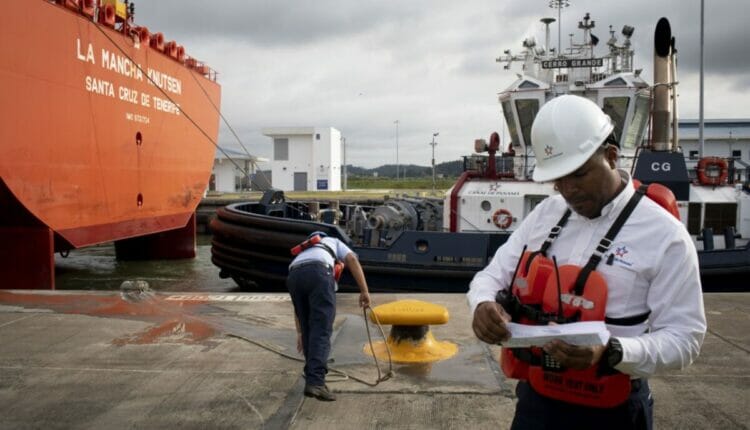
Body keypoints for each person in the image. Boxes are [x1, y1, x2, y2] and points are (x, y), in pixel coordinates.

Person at [467, 95, 706, 429]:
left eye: (579, 175)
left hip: (614, 413)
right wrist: (482, 304)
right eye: (558, 178)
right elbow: (490, 277)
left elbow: (685, 340)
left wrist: (612, 351)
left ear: (610, 156)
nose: (568, 190)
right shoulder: (545, 215)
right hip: (538, 403)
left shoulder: (666, 236)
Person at [287, 230, 371, 401]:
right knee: (321, 329)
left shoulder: (304, 251)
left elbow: (297, 310)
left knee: (309, 328)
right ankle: (316, 383)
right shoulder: (333, 241)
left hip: (293, 276)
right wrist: (364, 291)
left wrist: (300, 333)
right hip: (319, 272)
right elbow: (352, 259)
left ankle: (313, 377)